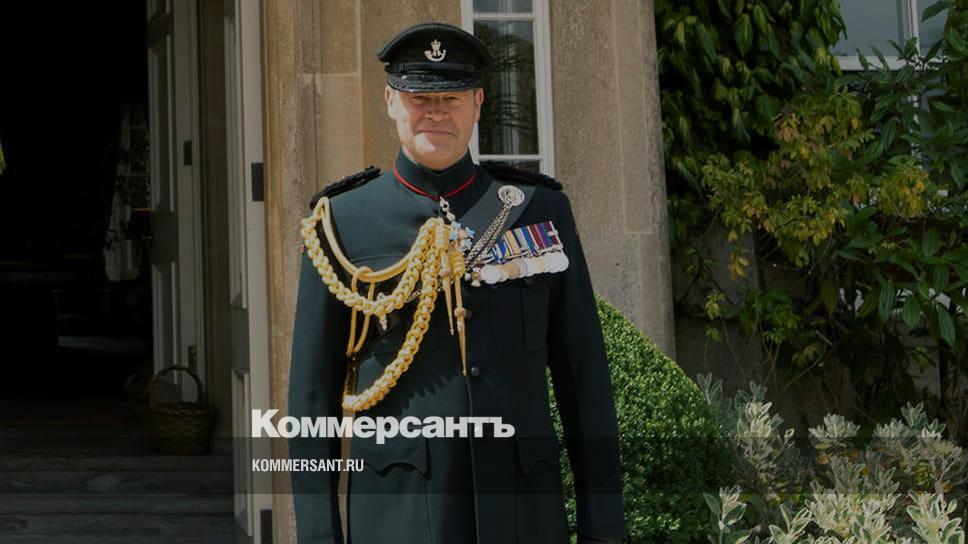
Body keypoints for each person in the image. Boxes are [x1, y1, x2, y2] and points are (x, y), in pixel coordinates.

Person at [289, 22, 625, 544]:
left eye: (452, 96)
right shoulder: (342, 223)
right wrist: (318, 534)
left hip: (522, 514)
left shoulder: (538, 211)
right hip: (397, 517)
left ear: (478, 103)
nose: (436, 111)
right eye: (420, 96)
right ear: (390, 101)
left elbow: (584, 380)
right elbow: (312, 401)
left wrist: (603, 525)